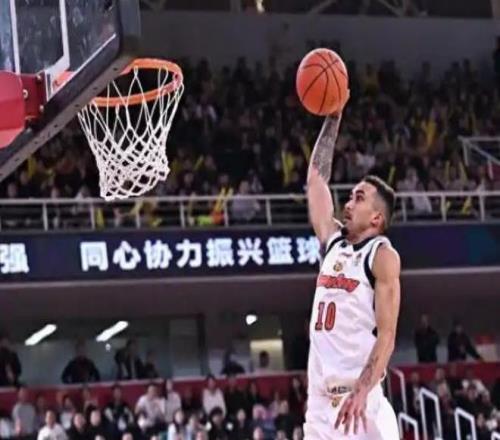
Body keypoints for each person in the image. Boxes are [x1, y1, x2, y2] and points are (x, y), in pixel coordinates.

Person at [304, 100, 400, 439]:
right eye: (350, 196)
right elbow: (316, 181)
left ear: (377, 218)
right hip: (320, 405)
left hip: (360, 403)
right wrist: (333, 117)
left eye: (359, 198)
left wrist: (361, 391)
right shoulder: (333, 243)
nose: (348, 203)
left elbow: (387, 336)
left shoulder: (381, 256)